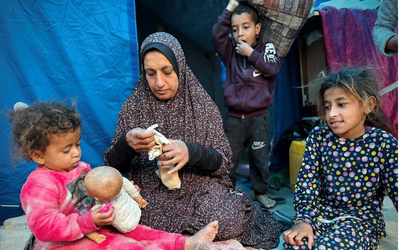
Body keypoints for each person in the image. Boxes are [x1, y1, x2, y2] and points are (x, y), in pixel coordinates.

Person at [104, 32, 282, 249]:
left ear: (179, 66)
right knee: (123, 216)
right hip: (151, 195)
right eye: (150, 74)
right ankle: (188, 239)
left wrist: (191, 152)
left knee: (229, 217)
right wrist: (126, 145)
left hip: (201, 191)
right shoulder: (133, 107)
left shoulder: (202, 106)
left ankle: (175, 238)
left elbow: (224, 163)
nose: (159, 82)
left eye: (167, 72)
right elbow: (111, 168)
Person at [10, 101, 218, 250]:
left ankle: (184, 243)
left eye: (78, 144)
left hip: (98, 224)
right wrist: (86, 222)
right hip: (64, 242)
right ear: (38, 155)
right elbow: (44, 227)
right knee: (122, 245)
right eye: (67, 150)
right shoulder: (40, 185)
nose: (76, 153)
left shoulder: (80, 167)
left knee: (141, 231)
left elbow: (98, 190)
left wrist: (120, 191)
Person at [282, 67, 398, 249]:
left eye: (341, 104)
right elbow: (307, 181)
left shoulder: (383, 142)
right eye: (327, 106)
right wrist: (303, 220)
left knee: (329, 247)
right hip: (320, 217)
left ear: (369, 104)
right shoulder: (319, 136)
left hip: (360, 223)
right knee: (295, 244)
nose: (331, 114)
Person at [211, 0, 281, 209]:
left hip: (258, 116)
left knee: (260, 156)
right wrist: (231, 6)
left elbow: (272, 68)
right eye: (235, 29)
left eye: (246, 27)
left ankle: (260, 192)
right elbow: (216, 35)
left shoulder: (266, 48)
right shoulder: (230, 53)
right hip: (234, 118)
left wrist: (251, 54)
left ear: (257, 28)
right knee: (229, 157)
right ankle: (228, 191)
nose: (240, 33)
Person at [85, 166, 148, 237]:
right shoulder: (120, 184)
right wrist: (140, 200)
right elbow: (132, 190)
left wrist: (95, 236)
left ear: (97, 199)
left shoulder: (101, 206)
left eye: (86, 189)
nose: (85, 191)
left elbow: (88, 223)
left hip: (127, 226)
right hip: (137, 210)